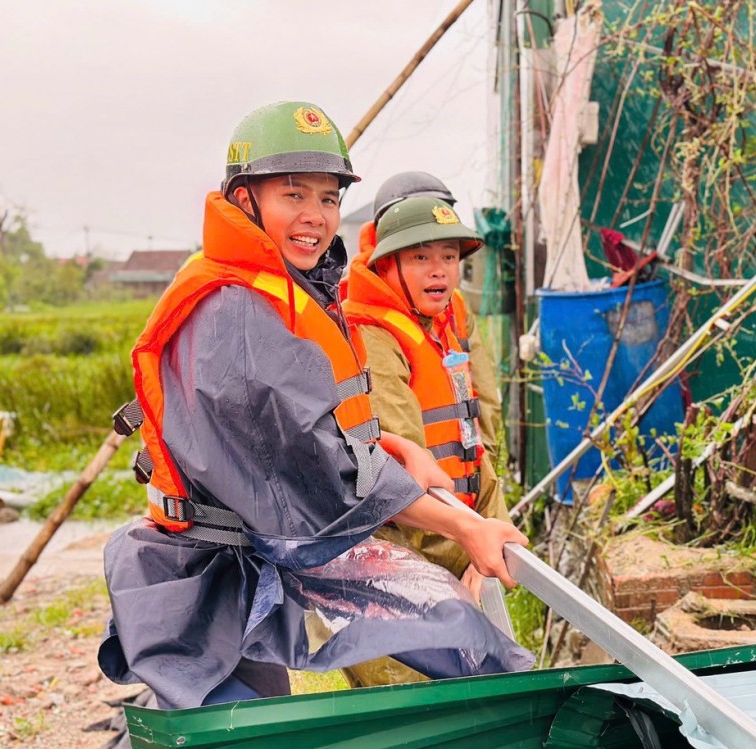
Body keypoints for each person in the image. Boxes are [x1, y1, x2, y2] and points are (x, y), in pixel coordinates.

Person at [98, 101, 532, 713]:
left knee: (253, 737)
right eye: (293, 196)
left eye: (328, 199)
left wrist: (394, 446)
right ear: (244, 199)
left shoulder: (278, 287)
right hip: (204, 574)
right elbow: (321, 467)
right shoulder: (238, 311)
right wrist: (466, 527)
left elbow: (309, 424)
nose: (315, 218)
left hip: (245, 558)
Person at [343, 195, 511, 593]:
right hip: (405, 560)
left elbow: (471, 442)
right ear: (387, 264)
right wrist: (473, 541)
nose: (439, 271)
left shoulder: (438, 324)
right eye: (421, 258)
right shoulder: (374, 337)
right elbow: (407, 477)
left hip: (454, 539)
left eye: (449, 257)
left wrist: (491, 524)